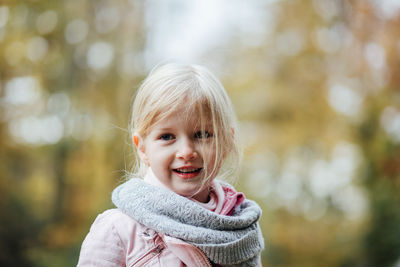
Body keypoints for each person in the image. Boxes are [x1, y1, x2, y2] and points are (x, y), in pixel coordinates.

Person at [77, 63, 264, 266]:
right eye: (167, 136)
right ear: (142, 148)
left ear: (226, 142)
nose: (186, 152)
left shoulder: (240, 228)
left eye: (202, 134)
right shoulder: (118, 230)